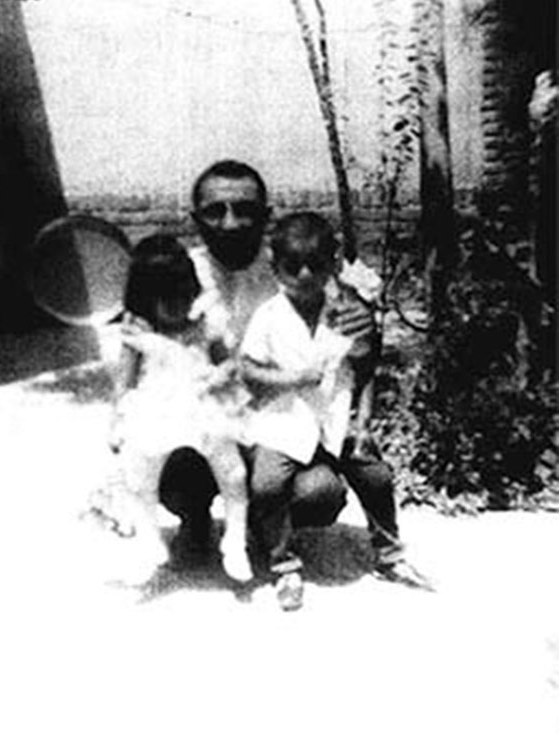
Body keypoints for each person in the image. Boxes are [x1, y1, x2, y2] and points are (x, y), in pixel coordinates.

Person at [159, 160, 431, 607]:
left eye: (245, 209)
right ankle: (195, 521)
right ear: (195, 219)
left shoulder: (297, 266)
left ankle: (266, 531)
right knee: (172, 463)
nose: (231, 222)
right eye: (215, 210)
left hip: (281, 421)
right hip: (210, 423)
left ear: (266, 215)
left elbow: (356, 349)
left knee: (319, 492)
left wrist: (365, 330)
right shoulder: (174, 275)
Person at [242, 212, 432, 610]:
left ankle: (390, 554)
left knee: (376, 475)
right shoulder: (269, 316)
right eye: (293, 267)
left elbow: (363, 369)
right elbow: (249, 370)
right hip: (285, 418)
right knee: (267, 485)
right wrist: (291, 378)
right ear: (276, 267)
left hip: (336, 415)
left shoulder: (347, 314)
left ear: (332, 264)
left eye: (315, 265)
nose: (305, 275)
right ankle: (282, 562)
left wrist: (363, 422)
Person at [109, 234, 252, 583]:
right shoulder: (138, 332)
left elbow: (229, 363)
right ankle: (149, 542)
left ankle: (235, 540)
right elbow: (123, 382)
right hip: (156, 410)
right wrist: (116, 422)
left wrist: (223, 373)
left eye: (183, 294)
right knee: (139, 476)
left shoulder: (205, 322)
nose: (177, 306)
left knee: (233, 474)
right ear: (144, 298)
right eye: (165, 299)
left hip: (205, 409)